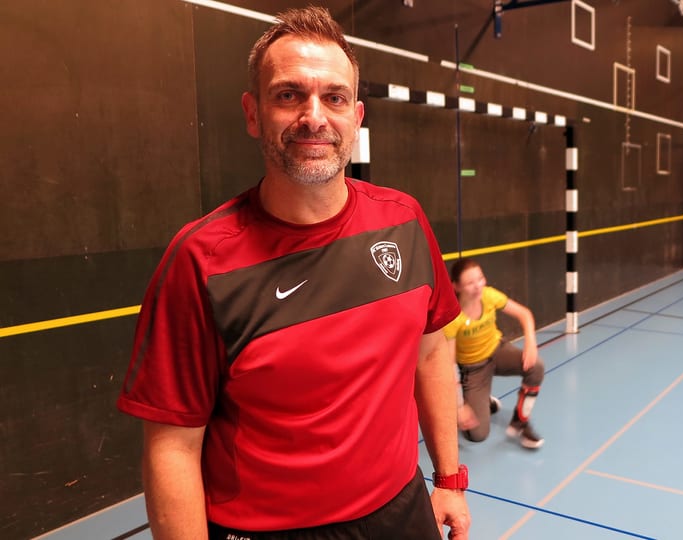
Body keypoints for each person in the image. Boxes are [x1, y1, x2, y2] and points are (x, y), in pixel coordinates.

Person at [116, 7, 470, 540]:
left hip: (402, 511)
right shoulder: (200, 261)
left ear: (357, 115)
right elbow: (172, 446)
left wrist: (448, 477)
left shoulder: (404, 220)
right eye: (289, 95)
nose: (314, 116)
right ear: (253, 113)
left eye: (334, 97)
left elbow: (433, 349)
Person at [443, 258, 545, 450]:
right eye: (470, 283)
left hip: (498, 352)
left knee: (536, 367)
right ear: (456, 286)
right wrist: (458, 407)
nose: (478, 286)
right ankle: (477, 400)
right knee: (477, 435)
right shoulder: (452, 317)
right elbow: (449, 365)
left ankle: (520, 423)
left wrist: (531, 342)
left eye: (480, 278)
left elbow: (524, 314)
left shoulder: (489, 296)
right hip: (473, 369)